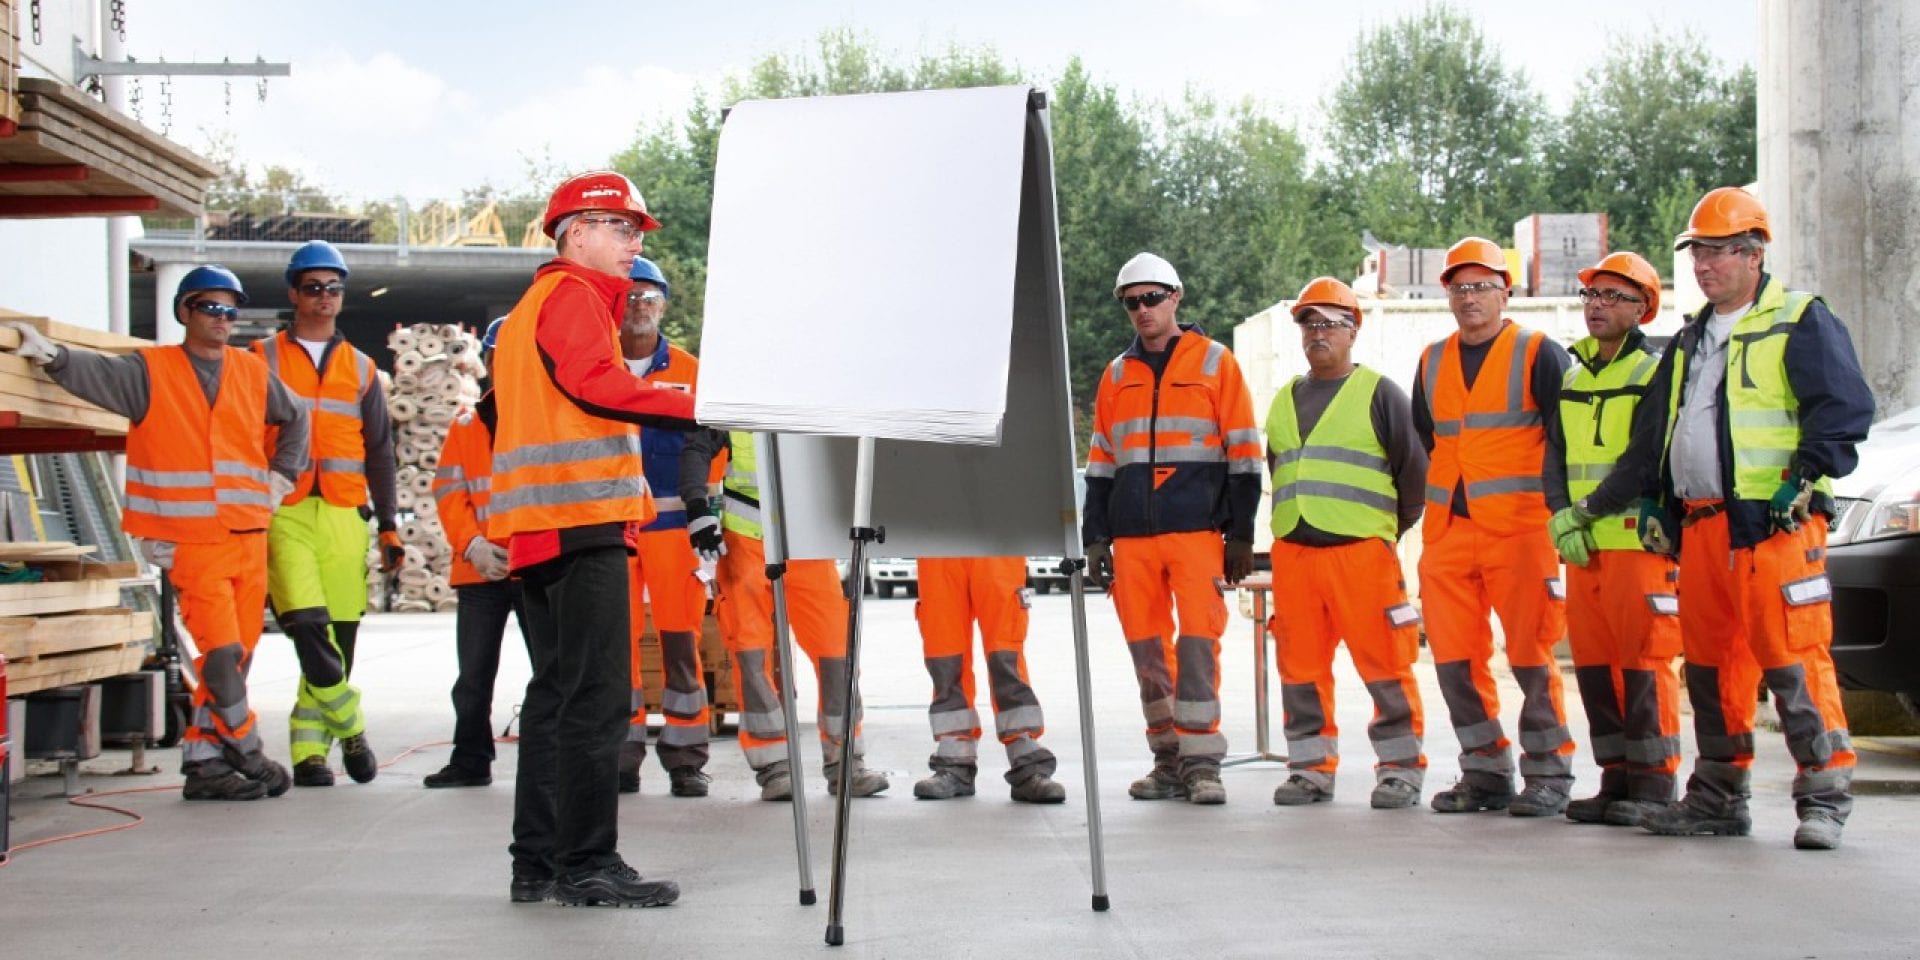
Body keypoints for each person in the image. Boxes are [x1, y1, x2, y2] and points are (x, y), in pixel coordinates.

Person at [1572, 187, 1873, 850]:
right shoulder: (1690, 339)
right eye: (1698, 252)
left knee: (1793, 659)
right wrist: (1645, 502)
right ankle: (1717, 798)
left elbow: (1845, 409)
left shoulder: (1799, 320)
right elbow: (1654, 437)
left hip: (1775, 528)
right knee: (1711, 667)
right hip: (1702, 530)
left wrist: (1801, 477)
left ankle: (1824, 795)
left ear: (1754, 253)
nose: (1705, 265)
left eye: (1718, 252)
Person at [6, 268, 306, 800]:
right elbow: (96, 374)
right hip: (190, 539)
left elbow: (297, 416)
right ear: (185, 312)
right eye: (211, 308)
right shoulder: (151, 370)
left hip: (248, 532)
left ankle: (204, 763)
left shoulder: (251, 371)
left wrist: (281, 475)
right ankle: (247, 747)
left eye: (230, 310)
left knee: (237, 657)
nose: (223, 319)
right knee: (220, 652)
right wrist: (51, 355)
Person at [489, 171, 696, 906]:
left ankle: (537, 863)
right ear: (577, 232)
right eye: (622, 228)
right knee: (599, 698)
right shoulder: (573, 296)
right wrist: (698, 402)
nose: (634, 243)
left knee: (555, 698)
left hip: (543, 529)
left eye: (637, 231)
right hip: (580, 524)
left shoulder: (533, 307)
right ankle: (587, 863)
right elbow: (595, 385)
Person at [1082, 252, 1262, 806]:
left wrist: (1241, 534)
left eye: (1152, 297)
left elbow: (1245, 454)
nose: (1142, 309)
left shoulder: (1216, 363)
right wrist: (1095, 537)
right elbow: (1102, 462)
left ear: (1176, 297)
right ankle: (1167, 761)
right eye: (1131, 302)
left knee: (1199, 648)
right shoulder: (1116, 375)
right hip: (1133, 539)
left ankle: (1203, 763)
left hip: (1197, 534)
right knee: (1147, 652)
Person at [1412, 236, 1576, 817]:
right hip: (1449, 532)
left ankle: (1549, 774)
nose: (1470, 297)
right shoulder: (1432, 360)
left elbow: (1564, 438)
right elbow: (1430, 438)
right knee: (1455, 661)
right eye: (1459, 288)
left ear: (1506, 291)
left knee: (1532, 659)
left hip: (1520, 529)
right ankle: (1485, 773)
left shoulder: (1539, 353)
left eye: (1481, 286)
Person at [1262, 278, 1429, 809]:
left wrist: (1385, 532)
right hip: (1295, 554)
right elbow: (1279, 470)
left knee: (1385, 662)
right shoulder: (1284, 399)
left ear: (1354, 331)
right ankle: (1310, 768)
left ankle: (1400, 769)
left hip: (1362, 555)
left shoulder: (1381, 393)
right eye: (1310, 323)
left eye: (1331, 323)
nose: (1319, 333)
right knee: (1300, 668)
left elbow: (1414, 473)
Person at [1544, 252, 1683, 827]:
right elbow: (1554, 452)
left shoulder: (1653, 370)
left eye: (1613, 297)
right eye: (1591, 296)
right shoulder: (1574, 374)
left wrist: (1582, 511)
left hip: (1634, 543)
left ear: (1643, 308)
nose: (1597, 306)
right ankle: (1615, 778)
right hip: (1584, 546)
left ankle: (1654, 785)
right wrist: (1559, 513)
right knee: (1597, 666)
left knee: (1644, 662)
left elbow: (1645, 459)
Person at [678, 429, 890, 802]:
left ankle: (846, 764)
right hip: (746, 546)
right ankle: (774, 767)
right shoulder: (733, 409)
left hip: (806, 545)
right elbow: (696, 452)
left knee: (836, 652)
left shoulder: (808, 406)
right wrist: (698, 510)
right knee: (751, 654)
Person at [252, 239, 394, 787]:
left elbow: (380, 449)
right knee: (307, 627)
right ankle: (352, 725)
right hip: (283, 507)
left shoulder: (361, 368)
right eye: (314, 287)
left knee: (340, 636)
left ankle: (311, 752)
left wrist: (387, 525)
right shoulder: (260, 358)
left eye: (334, 288)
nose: (325, 297)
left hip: (343, 511)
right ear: (294, 293)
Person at [615, 257, 712, 799]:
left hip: (676, 531)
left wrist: (707, 518)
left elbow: (711, 450)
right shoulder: (596, 367)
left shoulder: (694, 372)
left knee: (680, 642)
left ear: (664, 305)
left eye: (650, 298)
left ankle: (685, 758)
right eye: (631, 297)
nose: (640, 308)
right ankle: (621, 755)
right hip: (616, 529)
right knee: (618, 647)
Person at [422, 317, 526, 789]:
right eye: (495, 357)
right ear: (485, 364)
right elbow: (448, 491)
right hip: (480, 568)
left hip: (535, 565)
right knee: (473, 678)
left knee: (553, 672)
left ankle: (555, 759)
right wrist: (473, 544)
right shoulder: (466, 425)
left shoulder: (543, 422)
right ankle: (470, 759)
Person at [909, 556, 1066, 804]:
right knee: (945, 654)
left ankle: (1025, 757)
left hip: (995, 535)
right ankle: (955, 761)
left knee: (1004, 653)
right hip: (939, 536)